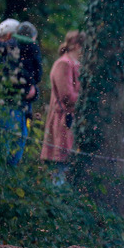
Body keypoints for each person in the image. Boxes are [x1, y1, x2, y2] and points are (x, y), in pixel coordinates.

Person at [40, 31, 86, 185]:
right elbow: (67, 96)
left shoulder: (75, 64)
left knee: (66, 168)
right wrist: (86, 100)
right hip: (62, 122)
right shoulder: (64, 64)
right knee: (59, 168)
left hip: (71, 122)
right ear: (77, 45)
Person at [0, 17, 28, 167]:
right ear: (10, 36)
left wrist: (33, 91)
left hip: (17, 109)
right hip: (4, 109)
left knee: (14, 148)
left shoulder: (10, 54)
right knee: (3, 151)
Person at [13, 21, 43, 129]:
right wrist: (33, 83)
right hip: (27, 90)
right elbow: (38, 71)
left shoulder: (11, 44)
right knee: (24, 123)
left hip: (10, 88)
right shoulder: (33, 47)